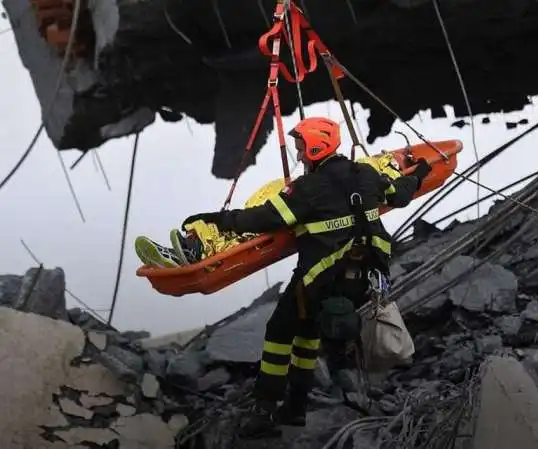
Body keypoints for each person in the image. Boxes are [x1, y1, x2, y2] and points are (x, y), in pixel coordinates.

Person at [140, 117, 432, 439]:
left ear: (315, 147)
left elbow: (265, 217)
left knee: (279, 333)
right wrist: (419, 173)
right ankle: (295, 407)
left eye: (300, 148)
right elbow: (399, 194)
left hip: (320, 276)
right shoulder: (365, 174)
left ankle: (264, 409)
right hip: (363, 275)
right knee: (307, 334)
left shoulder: (309, 188)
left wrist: (218, 220)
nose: (299, 154)